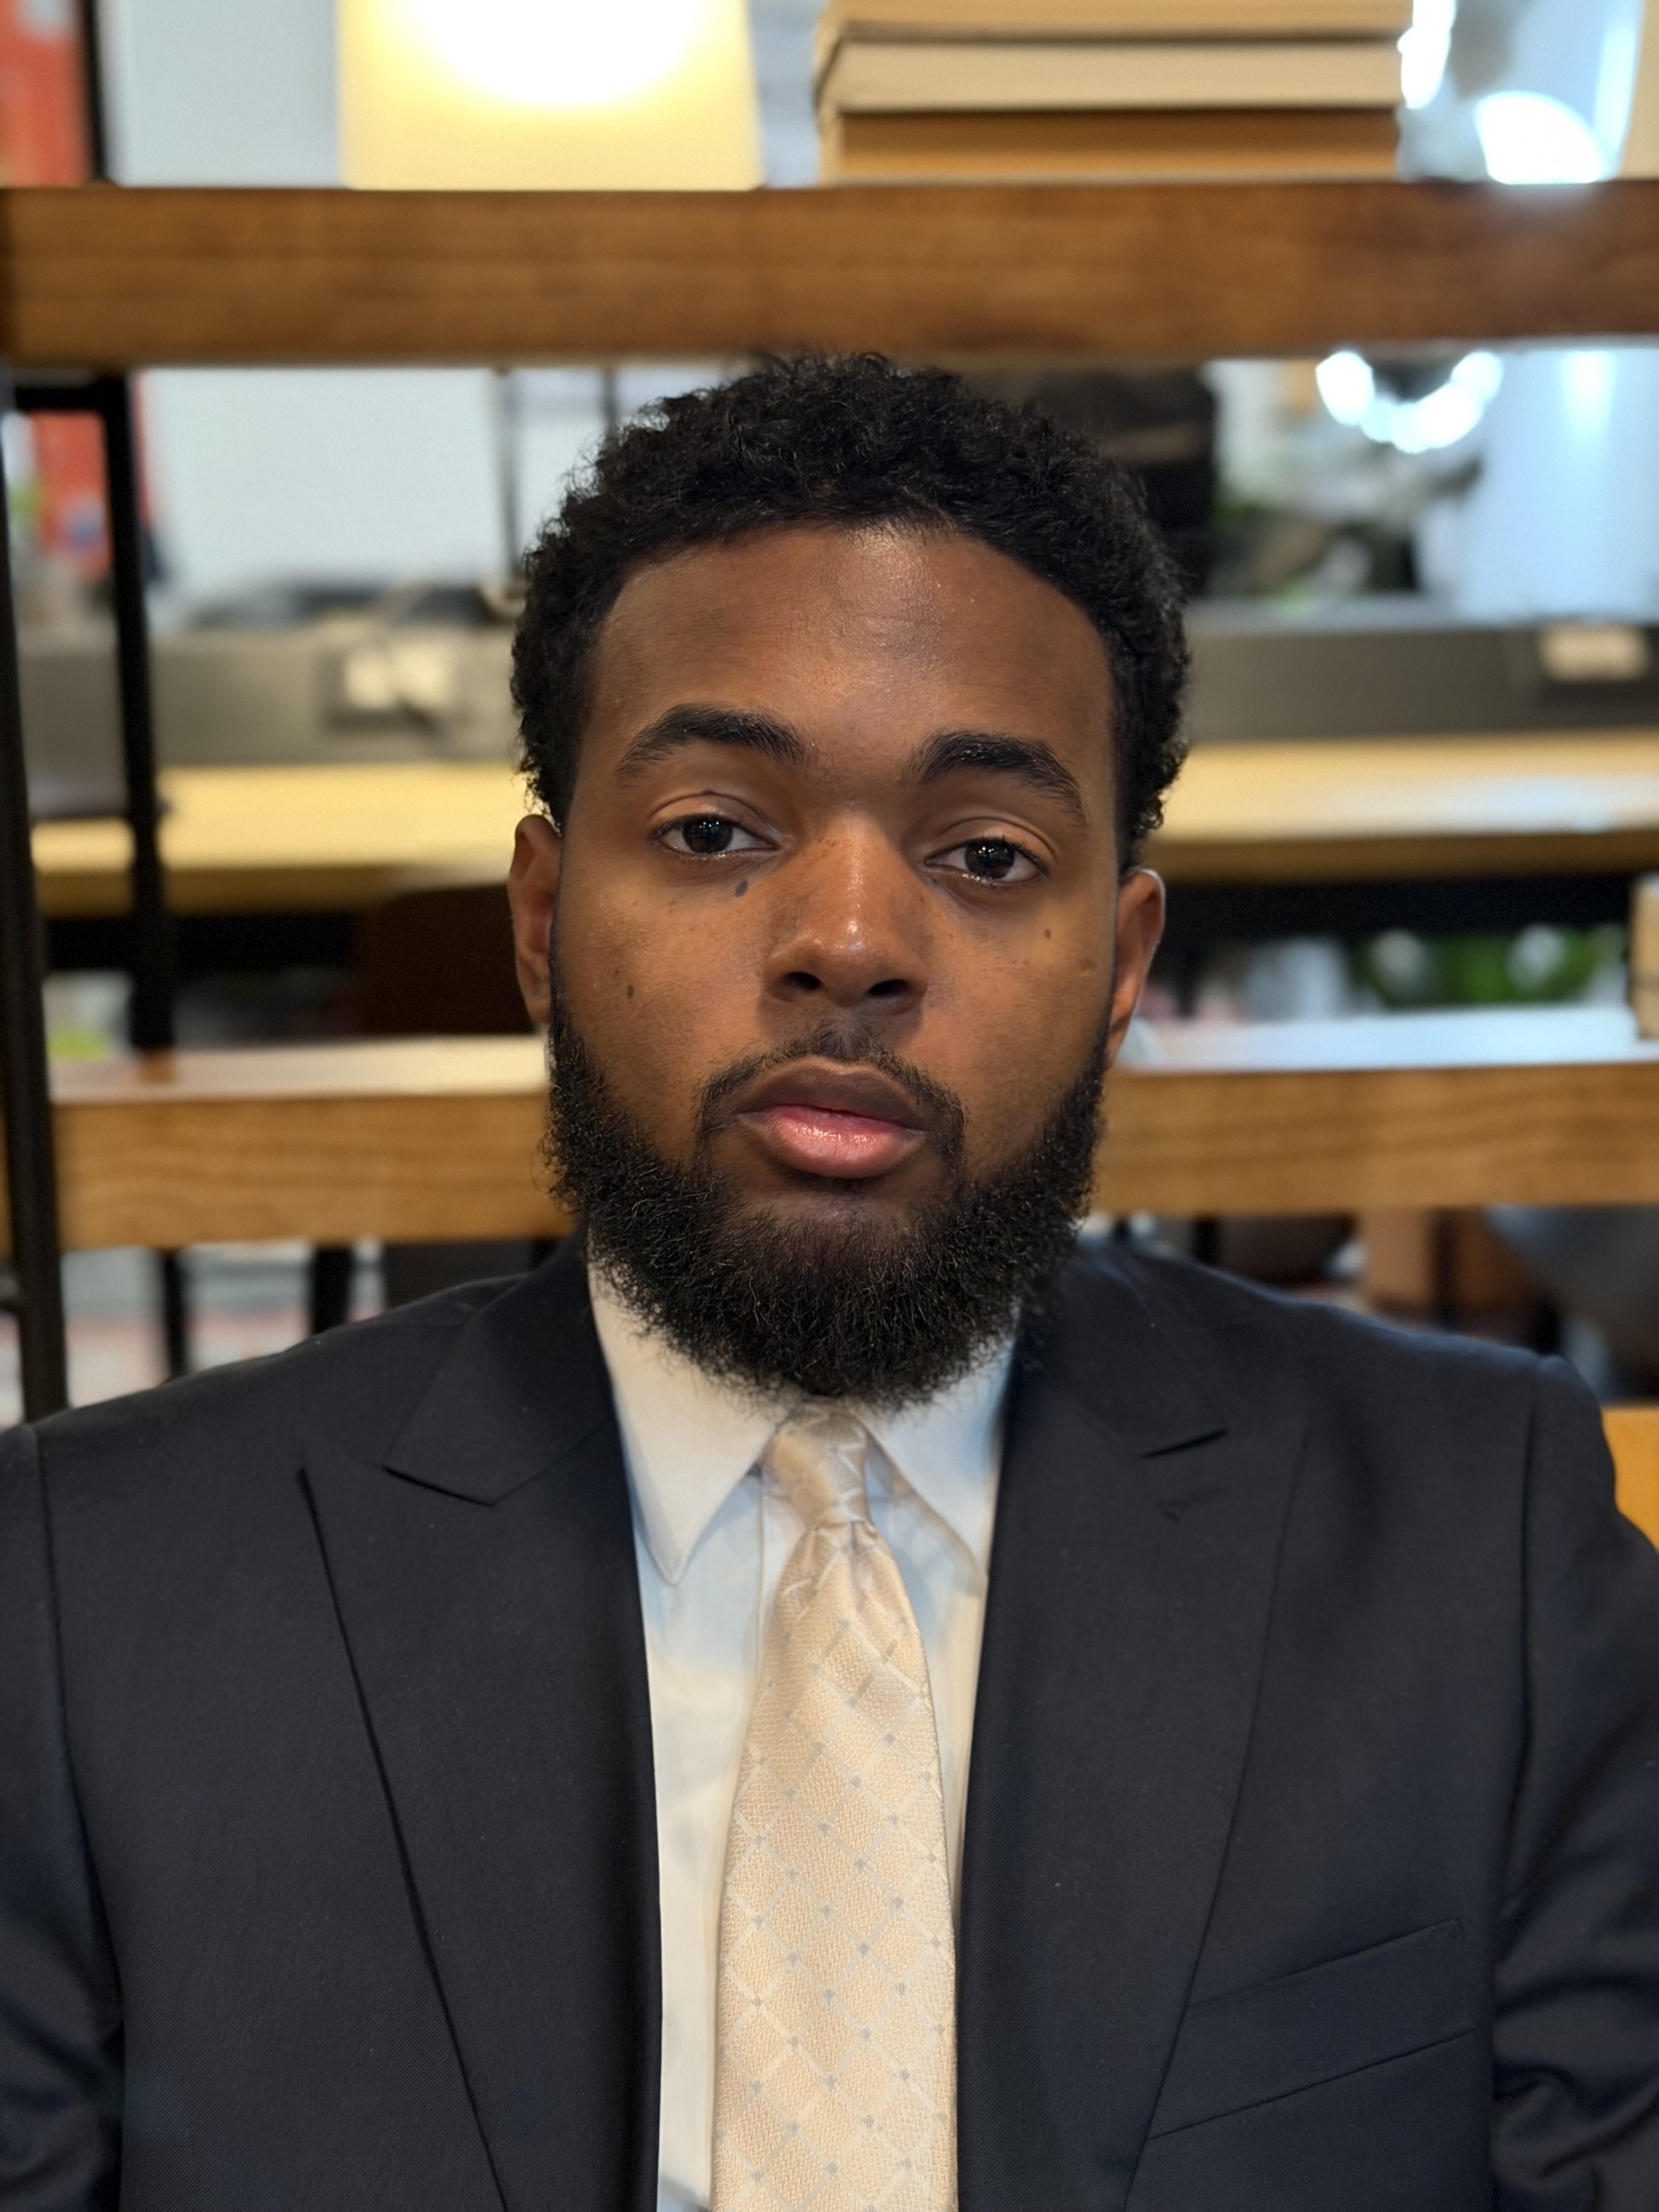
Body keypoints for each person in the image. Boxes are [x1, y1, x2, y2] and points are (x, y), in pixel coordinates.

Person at [2, 355, 1656, 2212]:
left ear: (1122, 961)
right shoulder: (90, 1604)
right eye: (716, 831)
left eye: (984, 853)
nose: (850, 945)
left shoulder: (1474, 1552)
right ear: (541, 925)